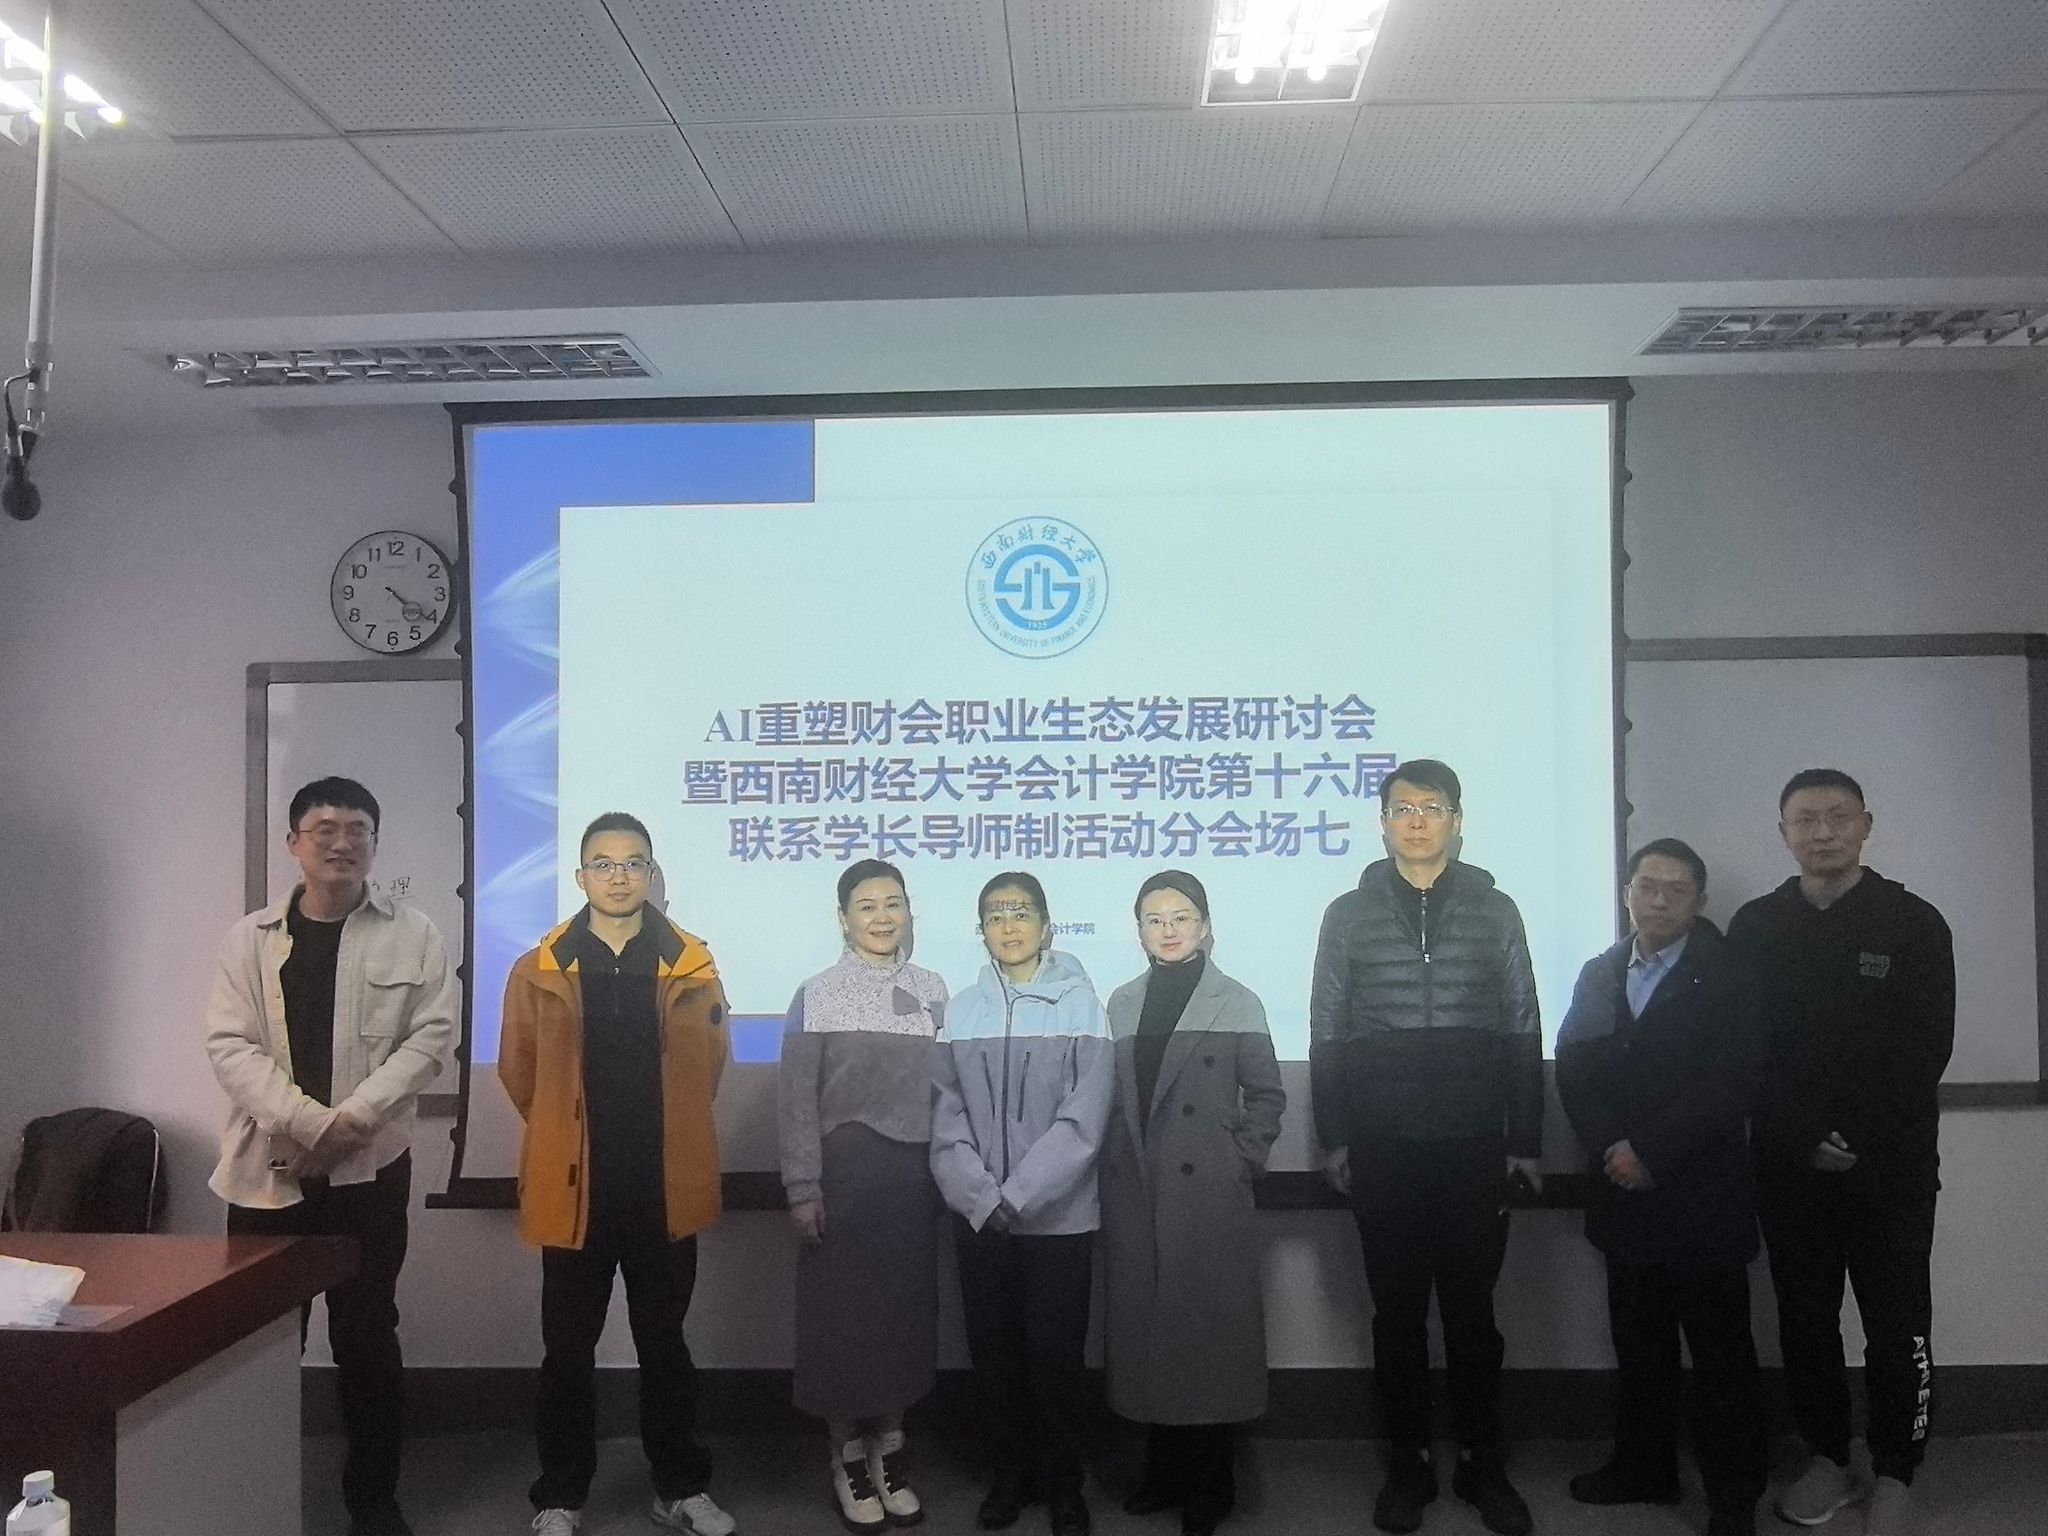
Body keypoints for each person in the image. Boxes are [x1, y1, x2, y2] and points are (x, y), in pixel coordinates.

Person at [205, 776, 456, 1536]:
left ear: (374, 844)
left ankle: (373, 1505)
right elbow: (230, 1046)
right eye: (324, 830)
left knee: (367, 1337)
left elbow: (430, 1038)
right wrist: (312, 1125)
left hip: (369, 1172)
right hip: (265, 1173)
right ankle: (252, 1504)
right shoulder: (248, 940)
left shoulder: (414, 933)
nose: (342, 843)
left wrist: (353, 1122)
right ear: (294, 844)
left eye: (358, 830)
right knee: (259, 1344)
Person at [1307, 758, 1542, 1536]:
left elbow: (1523, 1022)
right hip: (1383, 1143)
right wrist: (1335, 1135)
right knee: (1398, 1314)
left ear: (1457, 820)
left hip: (1475, 1141)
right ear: (1382, 822)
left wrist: (1525, 1138)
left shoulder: (1496, 910)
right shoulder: (1347, 913)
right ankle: (1406, 1463)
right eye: (1402, 808)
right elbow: (1327, 1029)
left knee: (1474, 1313)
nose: (1416, 820)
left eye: (1431, 807)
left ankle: (1482, 1461)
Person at [1728, 770, 1954, 1536]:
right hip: (1789, 1169)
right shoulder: (1756, 926)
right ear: (1783, 833)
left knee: (1898, 1325)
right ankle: (1827, 1454)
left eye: (1837, 817)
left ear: (1865, 825)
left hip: (1891, 1169)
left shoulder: (1912, 922)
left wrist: (1854, 1137)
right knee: (1805, 1321)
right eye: (1805, 820)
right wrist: (1801, 1137)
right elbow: (1745, 1051)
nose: (1822, 832)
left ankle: (1895, 1469)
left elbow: (1925, 1048)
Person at [499, 812, 737, 1536]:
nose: (619, 876)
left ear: (650, 874)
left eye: (633, 863)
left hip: (663, 1190)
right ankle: (560, 1495)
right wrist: (562, 1137)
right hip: (574, 1192)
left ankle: (680, 1488)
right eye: (603, 864)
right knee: (567, 1352)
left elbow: (708, 1070)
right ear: (581, 877)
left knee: (665, 1346)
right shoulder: (539, 966)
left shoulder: (691, 962)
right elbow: (520, 1074)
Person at [1555, 838, 1767, 1536]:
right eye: (1647, 886)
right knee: (1639, 1344)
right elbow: (1574, 1068)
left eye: (1677, 890)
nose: (1660, 900)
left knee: (1721, 1353)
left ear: (1700, 900)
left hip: (1703, 1194)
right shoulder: (1600, 972)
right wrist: (1612, 1148)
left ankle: (1733, 1496)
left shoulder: (1731, 975)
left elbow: (1733, 1081)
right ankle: (1644, 1466)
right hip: (1624, 1194)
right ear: (1627, 894)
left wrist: (1649, 1150)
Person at [1100, 871, 1285, 1536]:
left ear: (1205, 926)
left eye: (1181, 917)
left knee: (1205, 1335)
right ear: (1139, 931)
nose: (1169, 929)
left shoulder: (1238, 1000)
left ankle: (1212, 1479)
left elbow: (1267, 1095)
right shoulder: (1121, 1002)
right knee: (1149, 1334)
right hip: (1137, 1189)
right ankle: (1163, 1469)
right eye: (1154, 919)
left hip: (1206, 1193)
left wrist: (1240, 1158)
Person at [931, 872, 1116, 1536]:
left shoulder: (1082, 1007)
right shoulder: (960, 1011)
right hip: (980, 1218)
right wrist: (982, 1197)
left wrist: (1019, 1194)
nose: (1008, 926)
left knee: (1056, 1360)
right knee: (994, 1355)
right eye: (995, 915)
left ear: (1047, 925)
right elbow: (944, 1117)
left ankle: (1065, 1485)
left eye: (1021, 912)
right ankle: (1009, 1477)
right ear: (981, 930)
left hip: (1059, 1220)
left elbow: (1084, 1121)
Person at [778, 859, 950, 1532]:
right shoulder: (816, 993)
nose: (882, 916)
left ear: (909, 911)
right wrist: (803, 1186)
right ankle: (847, 1456)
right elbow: (796, 1101)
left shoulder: (934, 990)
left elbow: (948, 1094)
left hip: (912, 1185)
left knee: (903, 1320)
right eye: (867, 905)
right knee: (841, 1327)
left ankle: (892, 1452)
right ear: (843, 918)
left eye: (893, 903)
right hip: (841, 1186)